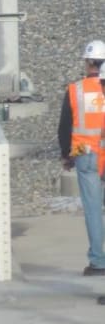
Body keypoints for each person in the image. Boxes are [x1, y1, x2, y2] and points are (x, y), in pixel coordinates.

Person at [58, 40, 105, 276]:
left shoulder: (75, 90)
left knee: (93, 209)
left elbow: (65, 127)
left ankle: (98, 261)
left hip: (85, 154)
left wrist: (66, 155)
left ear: (88, 63)